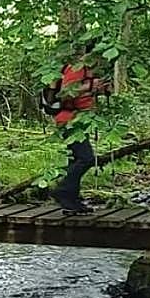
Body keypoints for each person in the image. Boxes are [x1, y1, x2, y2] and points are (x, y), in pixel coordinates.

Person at [45, 45, 113, 212]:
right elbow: (64, 94)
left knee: (76, 159)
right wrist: (89, 87)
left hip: (81, 120)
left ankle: (71, 201)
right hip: (69, 120)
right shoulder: (76, 70)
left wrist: (101, 90)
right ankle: (62, 192)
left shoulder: (88, 72)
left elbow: (84, 95)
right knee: (86, 158)